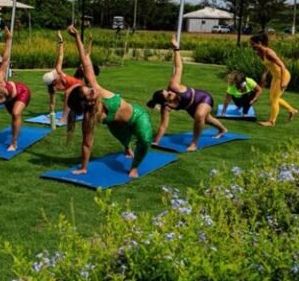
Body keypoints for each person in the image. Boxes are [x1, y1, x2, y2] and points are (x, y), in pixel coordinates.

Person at [66, 26, 153, 178]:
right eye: (89, 93)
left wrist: (77, 37)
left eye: (89, 88)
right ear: (86, 103)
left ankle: (134, 168)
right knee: (125, 140)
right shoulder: (89, 118)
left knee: (145, 140)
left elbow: (86, 63)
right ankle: (127, 147)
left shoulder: (97, 89)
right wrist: (84, 168)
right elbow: (87, 143)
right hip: (116, 126)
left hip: (136, 116)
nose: (92, 90)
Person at [147, 35, 227, 151]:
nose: (170, 92)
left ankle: (193, 144)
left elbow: (179, 67)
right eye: (168, 95)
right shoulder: (166, 108)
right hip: (190, 108)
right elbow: (164, 125)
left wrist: (176, 49)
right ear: (166, 102)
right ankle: (223, 129)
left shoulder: (173, 86)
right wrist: (156, 141)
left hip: (203, 98)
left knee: (200, 116)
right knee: (207, 119)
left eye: (167, 91)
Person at [249, 33, 298, 126]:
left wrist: (283, 82)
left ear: (259, 43)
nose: (251, 46)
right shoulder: (260, 52)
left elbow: (282, 65)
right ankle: (291, 110)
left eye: (252, 44)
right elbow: (268, 64)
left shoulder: (269, 52)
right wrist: (264, 74)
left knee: (274, 100)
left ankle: (271, 122)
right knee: (273, 98)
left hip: (283, 76)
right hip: (276, 76)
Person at [42, 31, 83, 124]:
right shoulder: (52, 87)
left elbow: (60, 55)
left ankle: (64, 117)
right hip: (75, 91)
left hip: (80, 86)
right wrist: (52, 115)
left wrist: (61, 41)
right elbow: (52, 103)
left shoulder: (58, 71)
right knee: (68, 96)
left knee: (68, 95)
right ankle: (67, 115)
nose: (55, 73)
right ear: (54, 81)